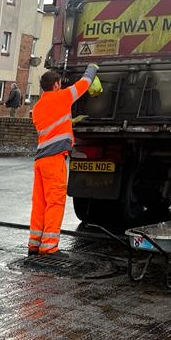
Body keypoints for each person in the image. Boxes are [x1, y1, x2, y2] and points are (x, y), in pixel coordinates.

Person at [28, 63, 98, 255]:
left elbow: (53, 123)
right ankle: (50, 246)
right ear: (57, 85)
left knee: (40, 203)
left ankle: (34, 243)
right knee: (55, 202)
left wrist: (69, 121)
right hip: (54, 160)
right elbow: (84, 83)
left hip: (40, 161)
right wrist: (92, 68)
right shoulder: (62, 97)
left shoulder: (38, 107)